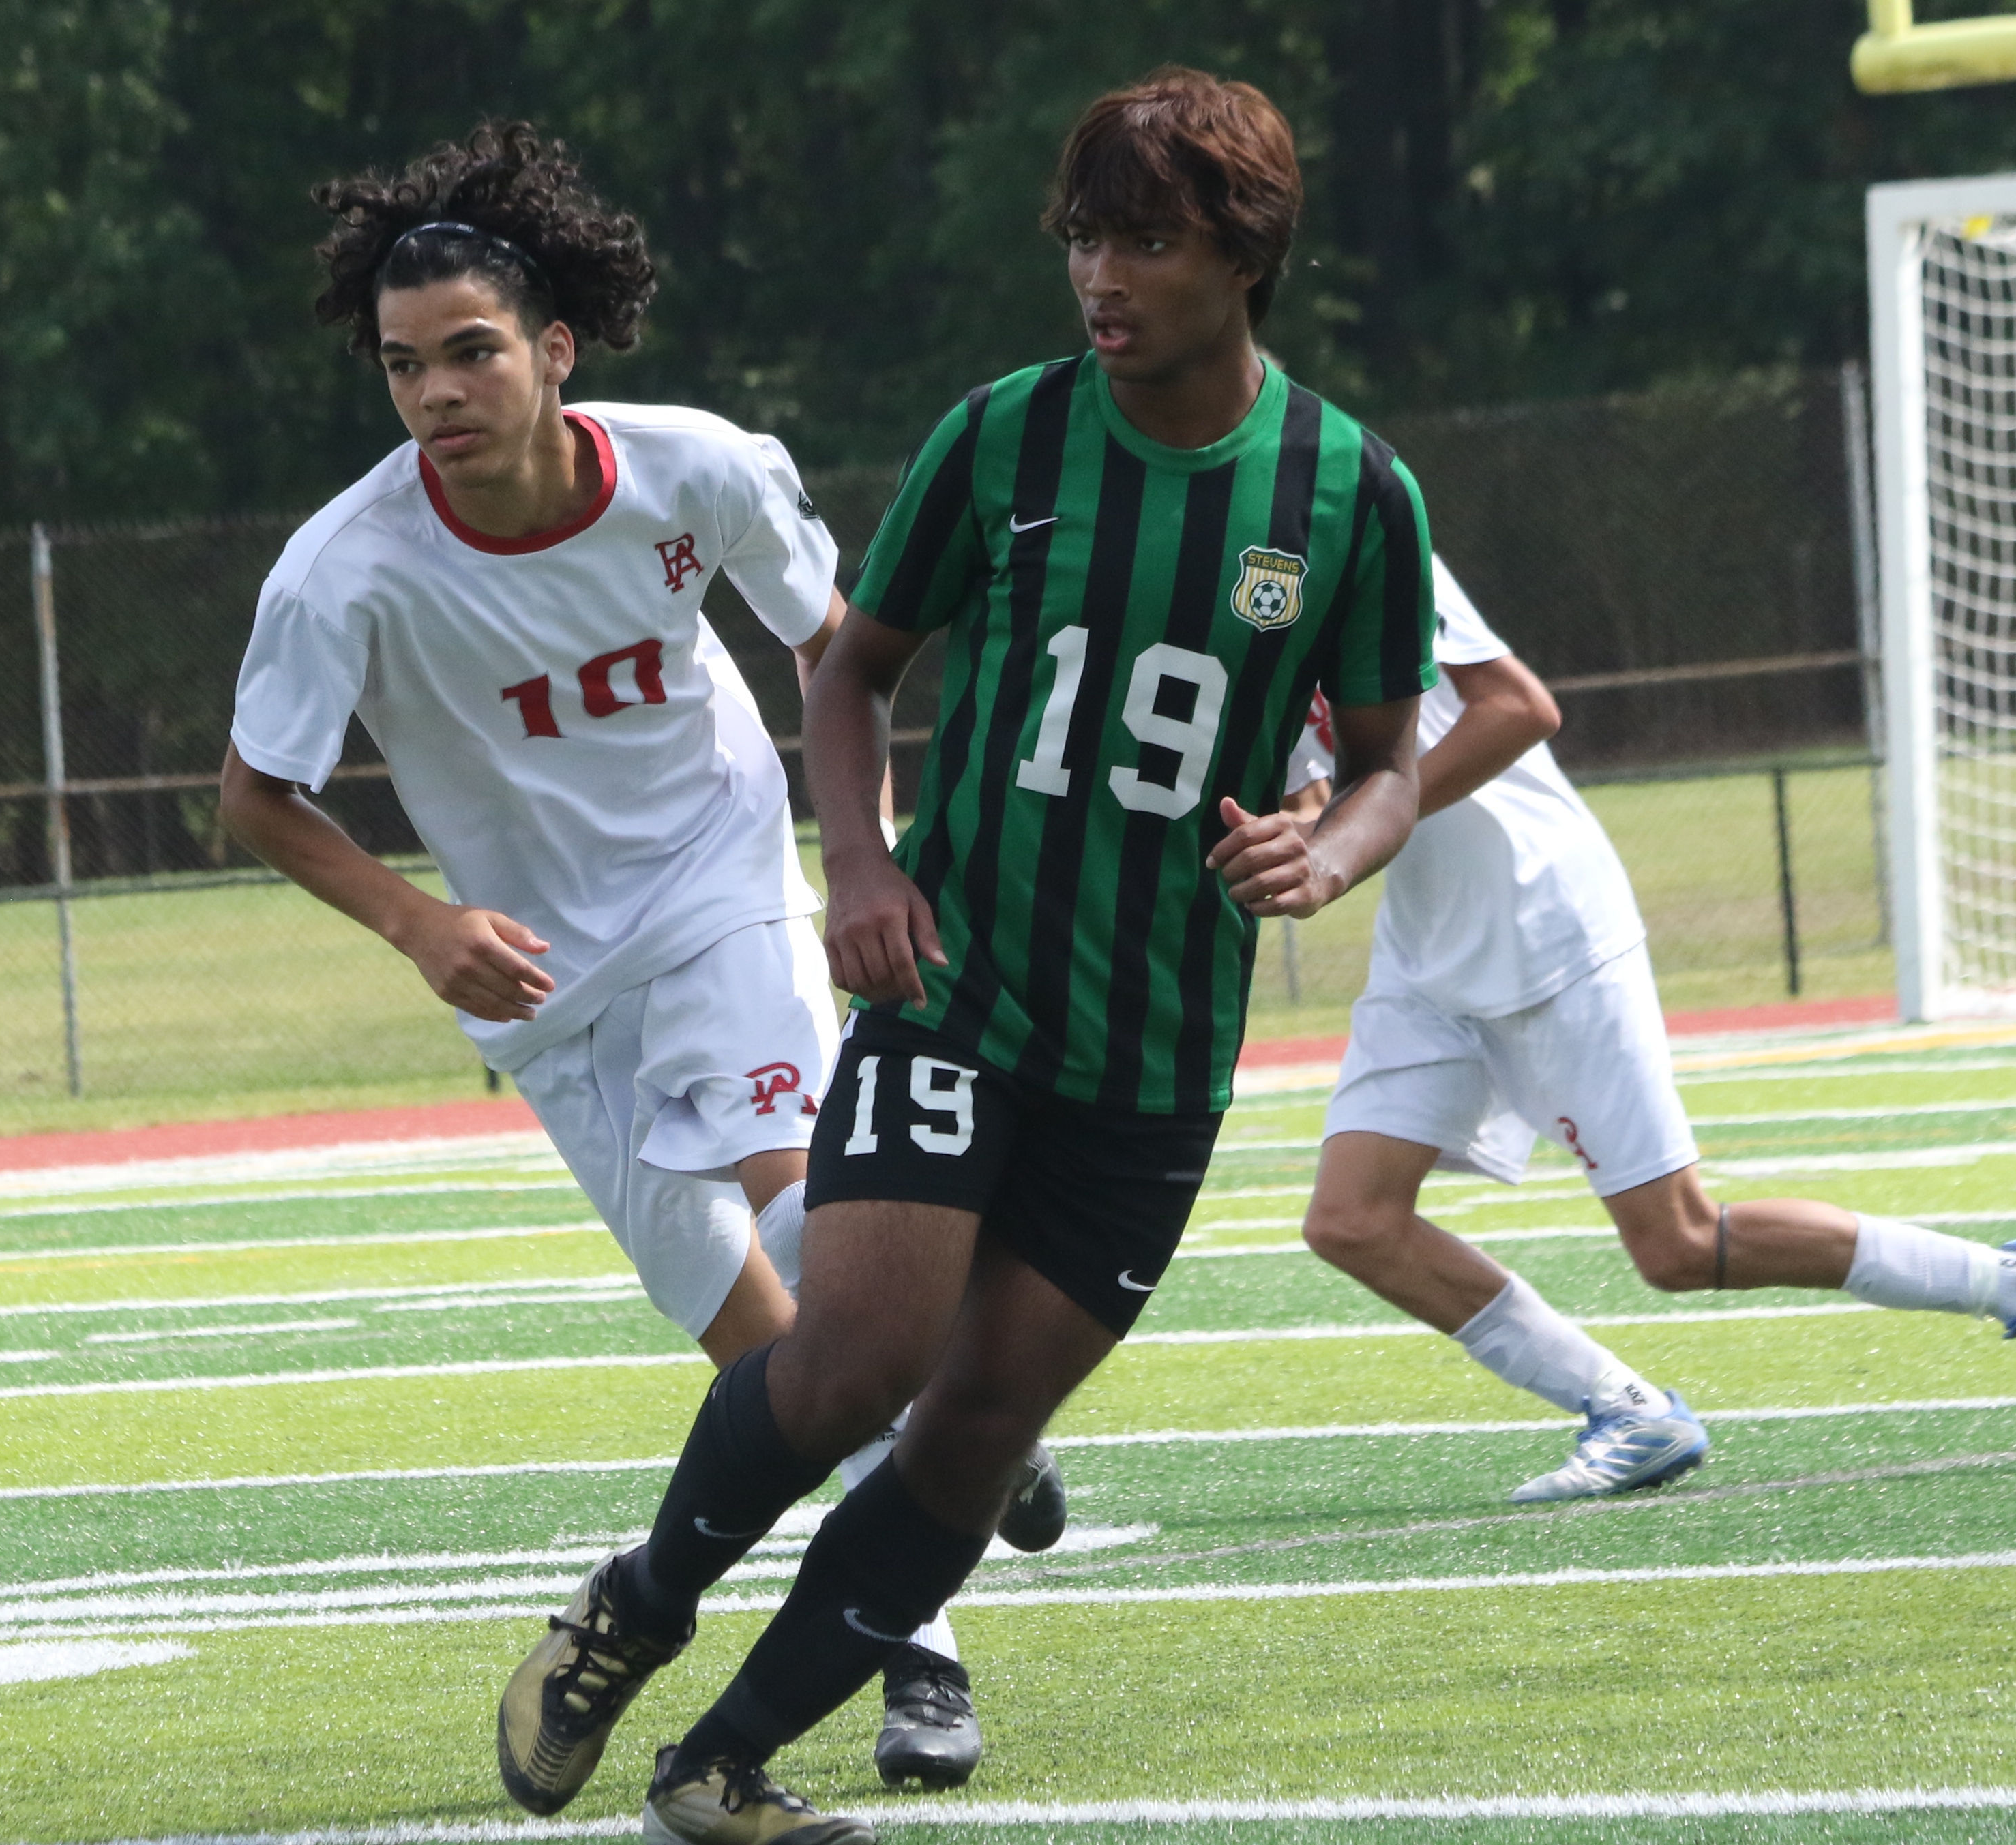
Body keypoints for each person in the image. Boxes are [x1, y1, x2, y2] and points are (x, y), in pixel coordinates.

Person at [494, 68, 1438, 1844]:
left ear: (1244, 254)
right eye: (1082, 237)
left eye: (1143, 243)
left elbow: (1389, 759)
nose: (1099, 277)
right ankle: (634, 1608)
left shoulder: (1348, 489)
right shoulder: (1002, 435)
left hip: (1153, 1055)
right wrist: (859, 863)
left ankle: (719, 1765)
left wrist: (1327, 849)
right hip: (958, 994)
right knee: (856, 1356)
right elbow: (852, 667)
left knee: (981, 1428)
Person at [216, 120, 1043, 1803]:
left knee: (802, 1201)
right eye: (401, 365)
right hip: (545, 983)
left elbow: (832, 649)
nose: (434, 393)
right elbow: (253, 795)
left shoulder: (699, 470)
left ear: (555, 349)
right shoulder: (341, 571)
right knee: (753, 1343)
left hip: (718, 878)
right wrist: (421, 923)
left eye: (469, 352)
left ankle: (922, 1642)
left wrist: (857, 858)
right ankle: (947, 1453)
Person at [1280, 560, 2016, 1503]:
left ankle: (2015, 1280)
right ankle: (1629, 1411)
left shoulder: (1364, 529)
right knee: (1354, 1219)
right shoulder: (1234, 611)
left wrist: (1359, 821)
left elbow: (1518, 708)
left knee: (1679, 1243)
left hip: (1545, 924)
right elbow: (1311, 802)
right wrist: (1286, 844)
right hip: (1426, 952)